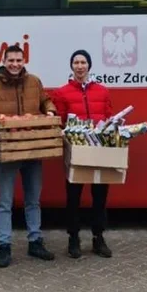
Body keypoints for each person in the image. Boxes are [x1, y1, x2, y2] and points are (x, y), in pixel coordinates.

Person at [0, 44, 57, 268]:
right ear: (4, 61)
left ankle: (35, 241)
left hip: (33, 148)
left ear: (24, 61)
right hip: (8, 149)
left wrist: (50, 110)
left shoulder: (34, 81)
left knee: (33, 200)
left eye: (18, 60)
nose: (15, 64)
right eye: (11, 60)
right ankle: (4, 245)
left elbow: (45, 100)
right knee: (5, 202)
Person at [53, 50, 114, 259]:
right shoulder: (62, 92)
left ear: (89, 66)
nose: (80, 66)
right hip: (76, 150)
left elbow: (108, 116)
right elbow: (60, 120)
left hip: (99, 149)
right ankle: (73, 238)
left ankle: (98, 238)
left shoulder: (102, 91)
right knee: (73, 197)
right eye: (76, 62)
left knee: (100, 196)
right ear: (72, 66)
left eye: (83, 62)